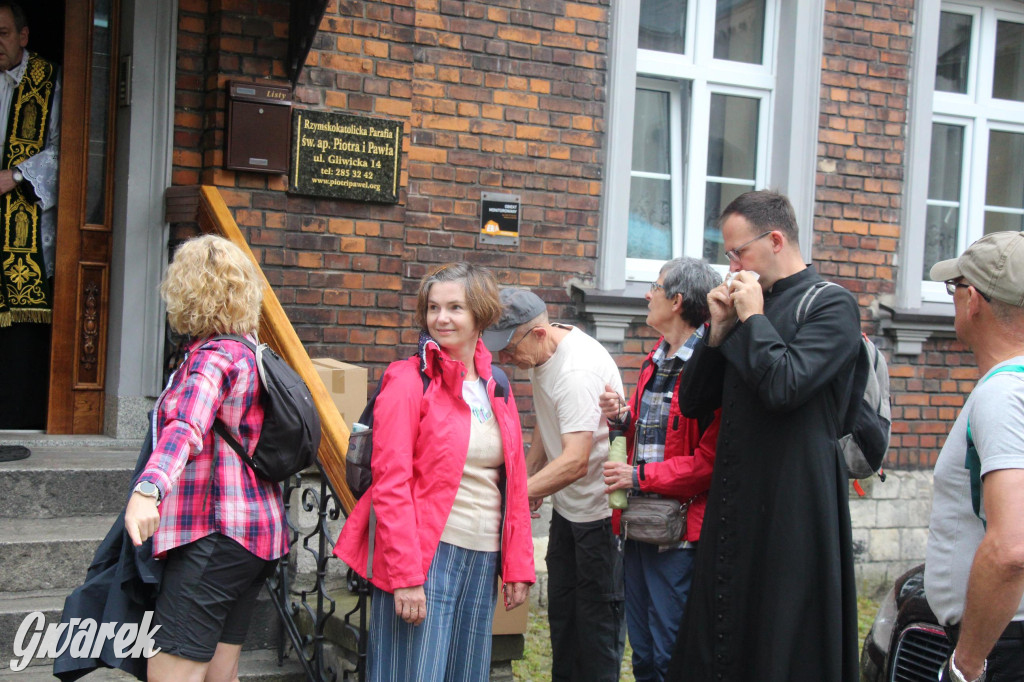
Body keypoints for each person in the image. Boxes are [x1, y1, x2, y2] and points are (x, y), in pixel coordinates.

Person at [667, 190, 861, 681]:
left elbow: (784, 386)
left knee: (782, 641)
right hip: (737, 501)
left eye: (738, 252)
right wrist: (716, 330)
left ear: (775, 240)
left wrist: (752, 319)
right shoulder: (741, 308)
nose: (730, 266)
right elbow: (692, 405)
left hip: (794, 505)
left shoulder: (832, 305)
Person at [335, 262, 535, 682]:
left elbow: (513, 479)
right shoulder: (409, 380)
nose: (441, 318)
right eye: (433, 307)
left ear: (480, 314)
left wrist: (517, 563)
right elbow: (391, 484)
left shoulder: (495, 383)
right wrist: (406, 577)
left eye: (455, 307)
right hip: (427, 556)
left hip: (483, 558)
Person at [123, 234, 288, 682]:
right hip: (258, 533)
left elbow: (185, 428)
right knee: (220, 672)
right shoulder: (251, 353)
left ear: (187, 291)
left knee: (170, 672)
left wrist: (148, 489)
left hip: (215, 534)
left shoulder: (211, 360)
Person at [483, 289, 626, 682]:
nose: (503, 359)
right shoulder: (542, 352)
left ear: (540, 333)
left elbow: (576, 460)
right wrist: (531, 481)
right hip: (569, 513)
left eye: (509, 350)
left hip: (601, 519)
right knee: (564, 622)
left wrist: (516, 495)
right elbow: (548, 431)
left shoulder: (576, 372)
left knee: (597, 632)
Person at [597, 257, 721, 682]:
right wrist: (623, 420)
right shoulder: (654, 361)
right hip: (639, 524)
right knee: (645, 651)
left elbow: (708, 463)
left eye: (655, 286)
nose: (647, 294)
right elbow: (652, 441)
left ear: (678, 300)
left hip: (679, 534)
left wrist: (638, 478)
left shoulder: (709, 366)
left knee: (671, 650)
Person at [925, 231, 1024, 682]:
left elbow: (1011, 550)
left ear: (975, 301)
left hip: (1003, 643)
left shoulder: (1005, 393)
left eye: (955, 288)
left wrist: (967, 664)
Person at [0, 0, 61, 431]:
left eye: (2, 33)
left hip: (25, 237)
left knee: (18, 345)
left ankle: (15, 424)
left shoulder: (50, 83)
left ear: (23, 35)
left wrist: (19, 174)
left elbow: (69, 149)